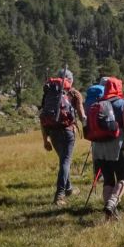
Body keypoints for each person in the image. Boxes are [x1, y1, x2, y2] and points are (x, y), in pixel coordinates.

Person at [86, 76, 124, 219]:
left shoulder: (98, 103)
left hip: (99, 147)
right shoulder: (122, 103)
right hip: (116, 147)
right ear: (118, 88)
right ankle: (112, 202)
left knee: (108, 180)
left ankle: (110, 214)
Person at [40, 68, 86, 206]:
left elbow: (43, 116)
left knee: (63, 161)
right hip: (67, 132)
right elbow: (82, 115)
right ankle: (59, 195)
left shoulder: (49, 92)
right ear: (70, 80)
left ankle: (69, 189)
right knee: (65, 162)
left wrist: (45, 139)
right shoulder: (73, 93)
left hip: (52, 132)